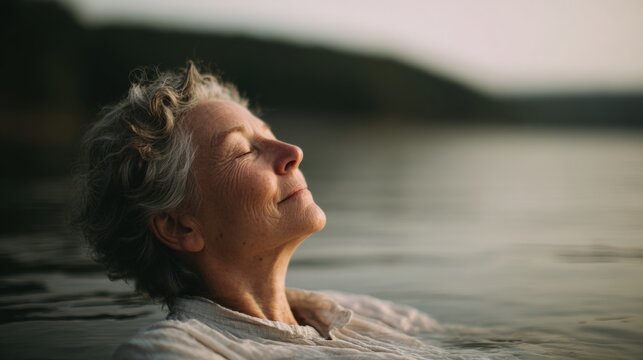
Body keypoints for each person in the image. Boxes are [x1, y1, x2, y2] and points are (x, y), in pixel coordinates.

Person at [75, 62, 448, 359]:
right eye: (244, 151)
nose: (293, 152)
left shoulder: (352, 310)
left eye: (269, 134)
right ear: (179, 227)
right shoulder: (173, 352)